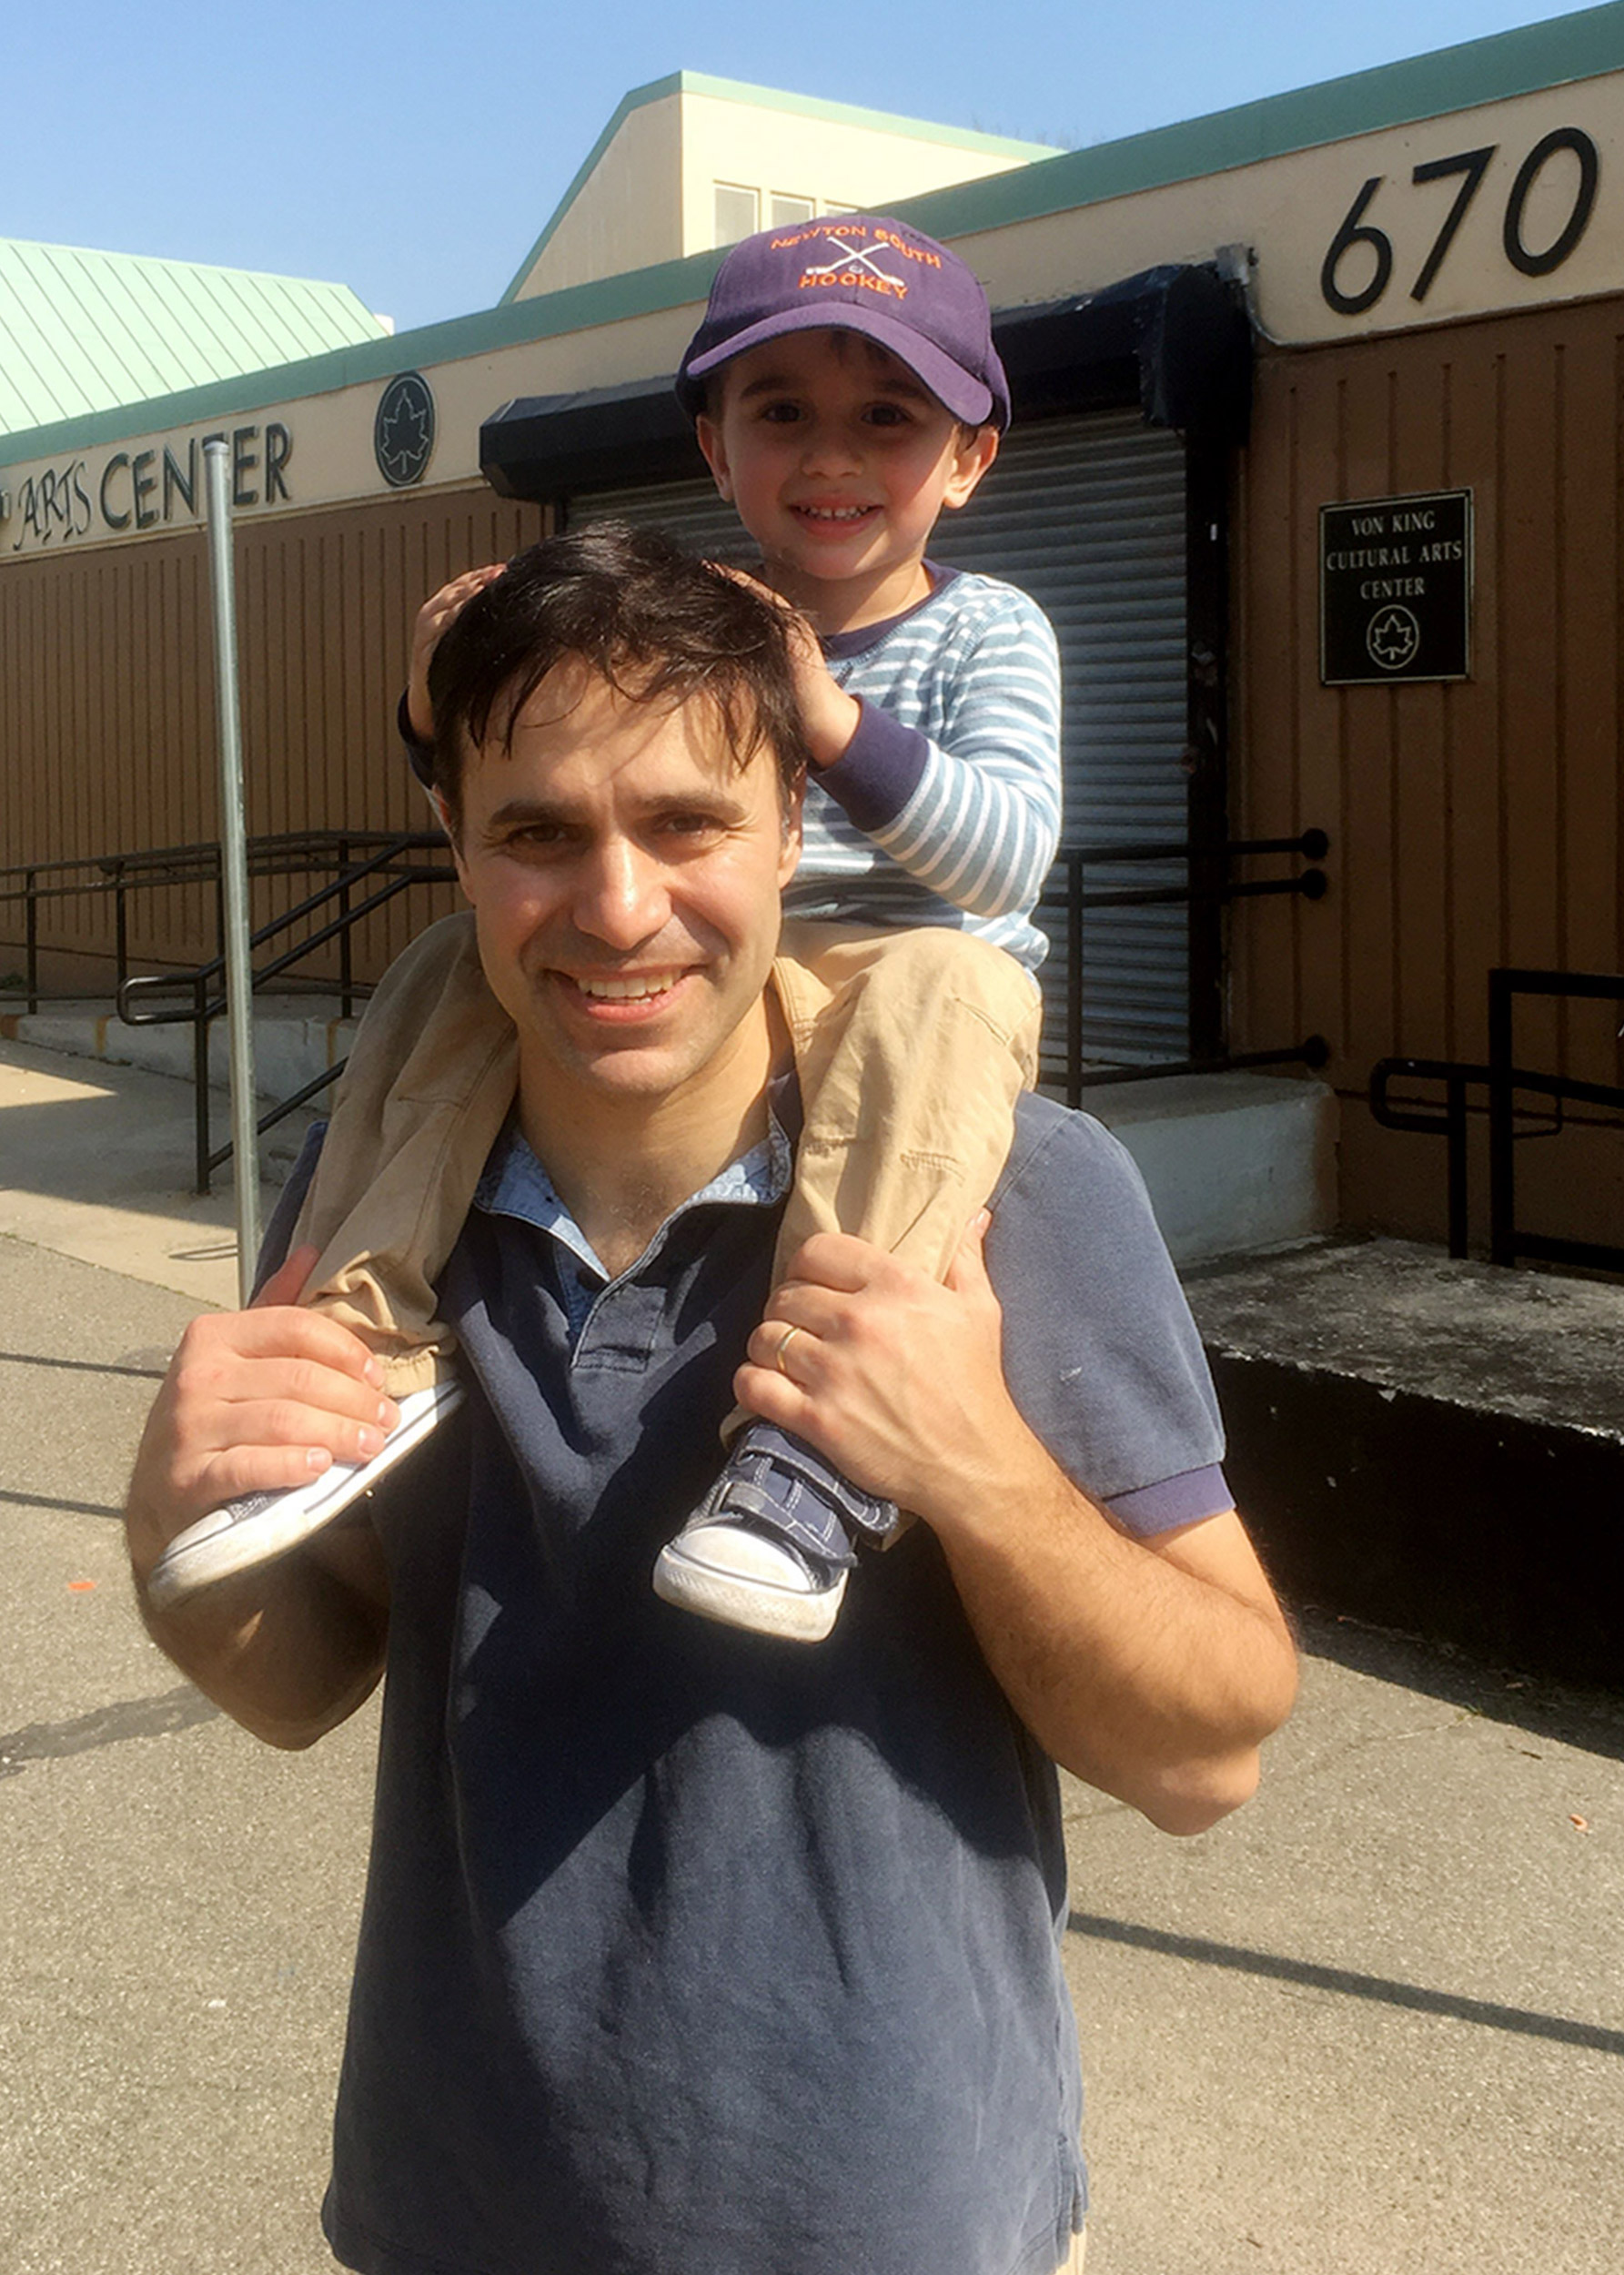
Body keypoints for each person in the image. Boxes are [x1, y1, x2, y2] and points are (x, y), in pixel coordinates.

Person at [125, 531, 1297, 2275]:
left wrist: (977, 1472)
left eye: (685, 823)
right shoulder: (376, 1197)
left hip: (887, 2219)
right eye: (537, 833)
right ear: (453, 841)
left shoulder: (1015, 1199)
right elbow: (305, 1678)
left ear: (790, 837)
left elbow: (1211, 1752)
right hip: (453, 2207)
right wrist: (170, 1534)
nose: (614, 908)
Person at [194, 213, 1063, 1644]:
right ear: (717, 450)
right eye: (781, 413)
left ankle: (821, 1441)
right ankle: (352, 1345)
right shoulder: (684, 615)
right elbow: (529, 805)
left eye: (887, 418)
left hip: (894, 971)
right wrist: (440, 694)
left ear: (968, 460)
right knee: (435, 963)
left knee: (950, 998)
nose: (832, 455)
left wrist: (822, 712)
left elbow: (1009, 857)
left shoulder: (990, 629)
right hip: (707, 969)